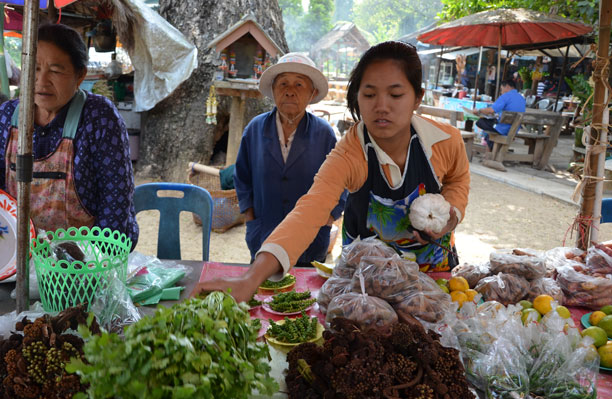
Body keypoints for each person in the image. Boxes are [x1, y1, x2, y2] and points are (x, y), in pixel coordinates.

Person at [194, 41, 470, 302]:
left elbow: (457, 180)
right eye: (370, 94)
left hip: (432, 270)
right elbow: (311, 208)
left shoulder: (446, 141)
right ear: (357, 97)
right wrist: (251, 277)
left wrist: (451, 214)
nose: (381, 106)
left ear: (417, 98)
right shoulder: (350, 152)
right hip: (367, 278)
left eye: (396, 94)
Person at [0, 23, 138, 245]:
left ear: (79, 76)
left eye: (56, 70)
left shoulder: (98, 117)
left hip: (82, 260)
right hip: (19, 248)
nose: (41, 81)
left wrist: (99, 259)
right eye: (34, 68)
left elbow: (116, 197)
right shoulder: (8, 115)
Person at [235, 53, 346, 266]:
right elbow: (242, 177)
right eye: (283, 83)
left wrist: (329, 217)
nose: (290, 91)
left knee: (305, 295)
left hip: (310, 238)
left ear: (312, 93)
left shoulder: (324, 134)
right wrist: (250, 218)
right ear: (274, 89)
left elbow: (341, 181)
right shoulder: (255, 129)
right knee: (264, 292)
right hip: (264, 233)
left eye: (299, 85)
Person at [474, 78, 526, 151]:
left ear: (507, 86)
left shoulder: (505, 96)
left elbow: (491, 110)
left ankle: (490, 154)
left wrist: (479, 111)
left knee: (480, 122)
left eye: (501, 89)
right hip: (514, 129)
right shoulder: (521, 98)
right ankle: (492, 150)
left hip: (503, 129)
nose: (501, 92)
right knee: (491, 127)